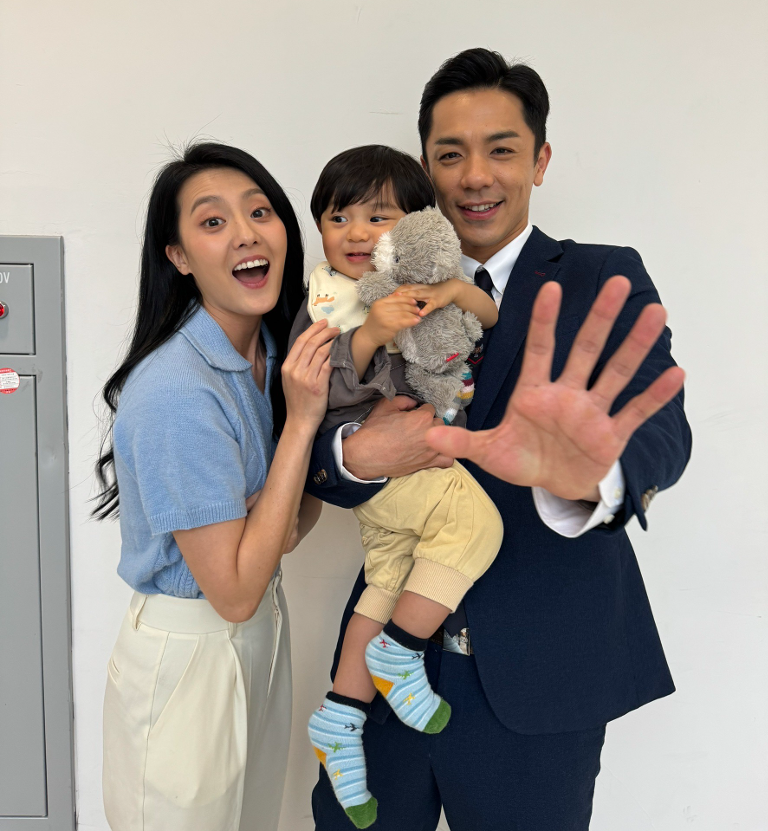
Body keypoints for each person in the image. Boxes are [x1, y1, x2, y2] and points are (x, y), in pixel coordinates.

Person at [307, 49, 691, 831]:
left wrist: (591, 475)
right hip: (384, 660)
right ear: (427, 168)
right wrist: (354, 457)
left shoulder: (602, 276)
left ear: (540, 161)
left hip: (543, 674)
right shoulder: (360, 290)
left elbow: (662, 432)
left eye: (502, 150)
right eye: (451, 155)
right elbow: (305, 430)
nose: (475, 176)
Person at [93, 142, 337, 831]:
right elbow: (232, 590)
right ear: (178, 256)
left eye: (259, 212)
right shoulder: (177, 391)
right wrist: (302, 427)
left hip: (261, 636)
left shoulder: (275, 354)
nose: (246, 234)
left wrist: (266, 518)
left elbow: (291, 526)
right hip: (189, 655)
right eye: (212, 222)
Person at [290, 145, 502, 827]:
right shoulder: (327, 299)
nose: (355, 232)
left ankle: (341, 715)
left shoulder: (423, 282)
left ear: (416, 226)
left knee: (385, 583)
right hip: (386, 466)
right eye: (338, 217)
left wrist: (454, 292)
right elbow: (316, 390)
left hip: (390, 498)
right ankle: (401, 652)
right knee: (476, 523)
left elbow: (487, 317)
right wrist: (370, 332)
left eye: (377, 217)